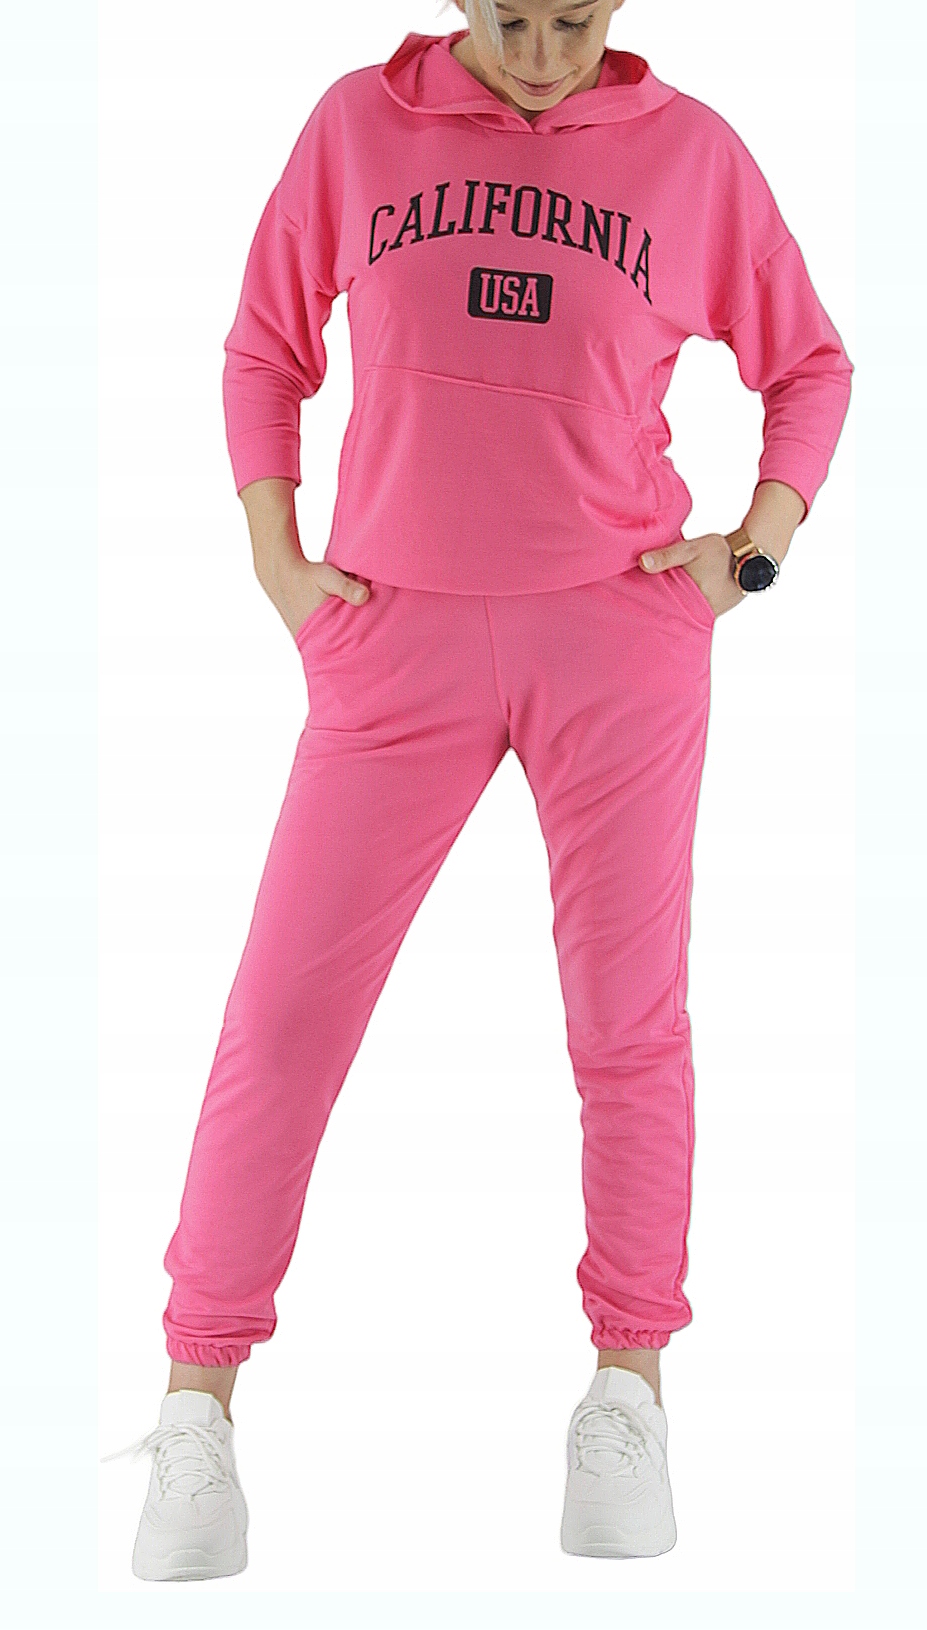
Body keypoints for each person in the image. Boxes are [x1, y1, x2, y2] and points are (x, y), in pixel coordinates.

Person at [101, 0, 853, 1579]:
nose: (543, 47)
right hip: (392, 638)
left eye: (576, 16)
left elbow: (810, 366)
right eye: (513, 14)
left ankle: (628, 1389)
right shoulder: (357, 127)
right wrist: (278, 561)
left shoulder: (693, 158)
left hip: (619, 635)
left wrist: (753, 551)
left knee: (627, 1023)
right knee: (283, 1018)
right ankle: (195, 1404)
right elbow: (264, 344)